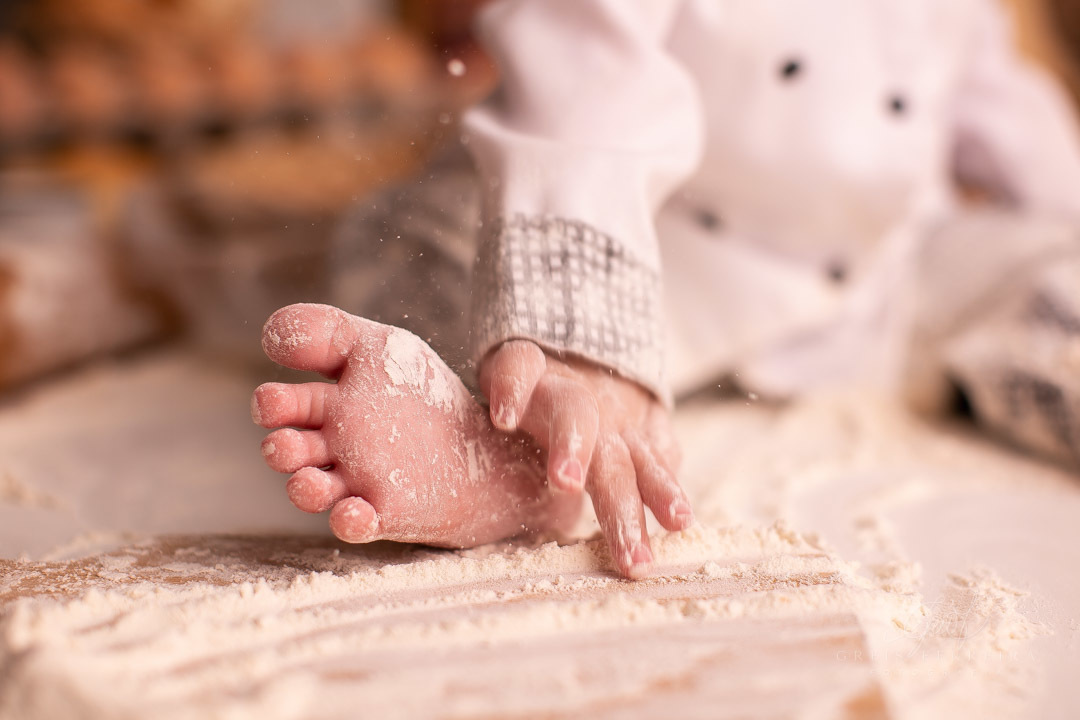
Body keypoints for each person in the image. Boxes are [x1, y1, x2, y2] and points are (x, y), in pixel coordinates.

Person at [252, 0, 1080, 578]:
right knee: (419, 228)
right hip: (649, 246)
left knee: (1031, 266)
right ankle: (497, 441)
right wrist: (576, 335)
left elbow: (995, 97)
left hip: (881, 273)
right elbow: (585, 67)